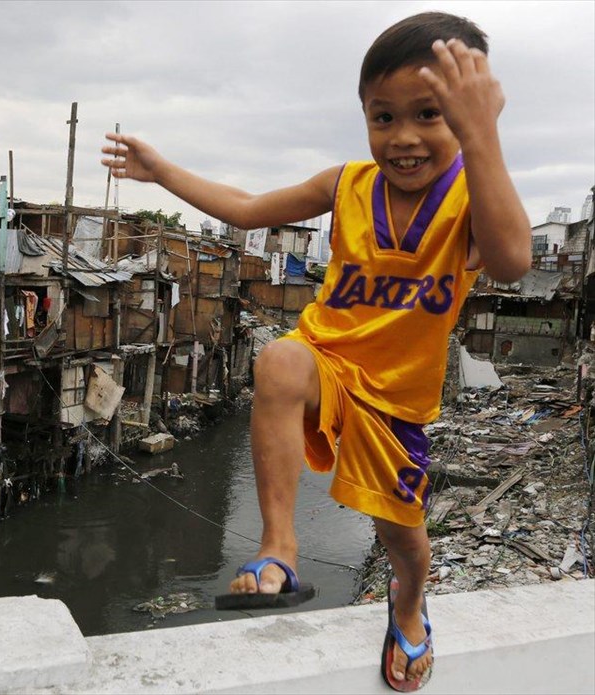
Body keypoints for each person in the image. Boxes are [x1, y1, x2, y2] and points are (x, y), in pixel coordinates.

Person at [101, 11, 531, 692]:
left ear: (469, 114)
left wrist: (483, 135)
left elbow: (511, 261)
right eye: (382, 117)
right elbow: (246, 209)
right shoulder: (347, 186)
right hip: (327, 366)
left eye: (431, 113)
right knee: (278, 359)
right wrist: (162, 173)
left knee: (403, 541)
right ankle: (280, 545)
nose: (404, 137)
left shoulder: (470, 198)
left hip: (398, 404)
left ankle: (410, 599)